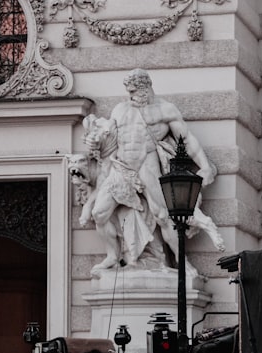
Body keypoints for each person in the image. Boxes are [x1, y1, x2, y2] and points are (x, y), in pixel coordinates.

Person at [82, 68, 221, 276]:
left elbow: (188, 140)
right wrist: (93, 140)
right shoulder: (120, 109)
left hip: (147, 164)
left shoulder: (165, 110)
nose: (130, 96)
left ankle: (183, 263)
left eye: (134, 92)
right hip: (121, 167)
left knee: (163, 216)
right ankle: (112, 255)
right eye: (128, 92)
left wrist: (205, 166)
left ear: (146, 88)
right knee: (99, 213)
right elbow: (107, 134)